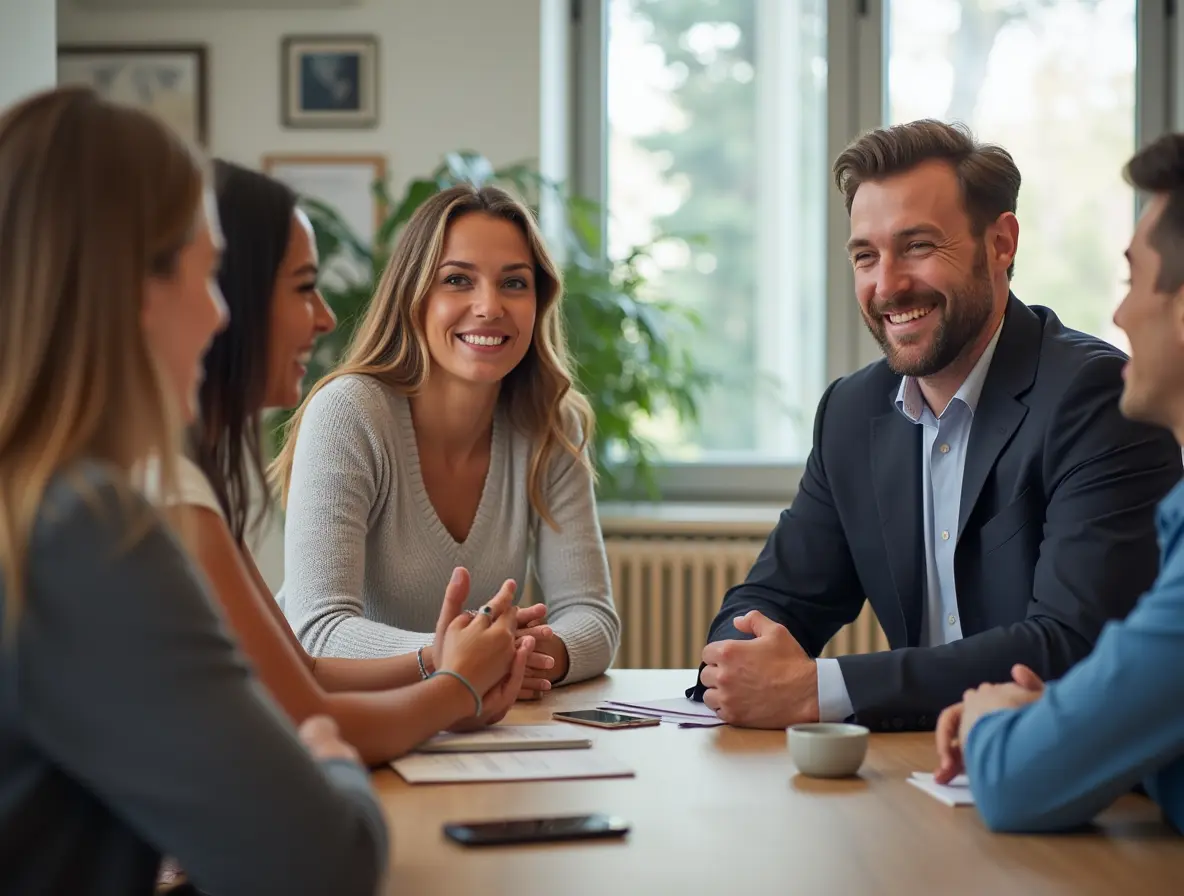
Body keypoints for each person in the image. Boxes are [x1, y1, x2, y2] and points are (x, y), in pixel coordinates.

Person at [0, 86, 386, 895]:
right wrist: (330, 759)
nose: (220, 318)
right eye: (210, 275)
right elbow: (322, 860)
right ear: (133, 291)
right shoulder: (88, 535)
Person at [689, 119, 1183, 731]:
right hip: (911, 773)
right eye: (865, 256)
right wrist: (740, 662)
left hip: (1063, 785)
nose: (887, 285)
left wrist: (823, 689)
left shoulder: (1097, 398)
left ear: (1001, 243)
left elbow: (1072, 646)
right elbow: (771, 601)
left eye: (918, 246)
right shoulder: (851, 412)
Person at [155, 159, 532, 767]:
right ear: (228, 299)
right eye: (305, 286)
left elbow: (302, 673)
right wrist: (454, 689)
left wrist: (441, 661)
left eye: (515, 283)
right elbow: (308, 721)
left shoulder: (196, 480)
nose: (328, 317)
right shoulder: (167, 493)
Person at [272, 184, 620, 689]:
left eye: (515, 284)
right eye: (457, 280)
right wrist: (463, 657)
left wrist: (529, 654)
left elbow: (592, 617)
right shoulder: (349, 412)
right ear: (414, 297)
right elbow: (317, 631)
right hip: (338, 716)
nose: (488, 306)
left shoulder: (550, 425)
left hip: (468, 720)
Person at [933, 133, 1184, 833]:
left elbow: (1016, 786)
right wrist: (1066, 723)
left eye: (1134, 280)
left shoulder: (1085, 395)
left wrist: (995, 720)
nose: (1121, 314)